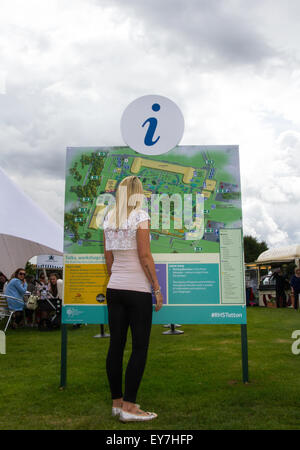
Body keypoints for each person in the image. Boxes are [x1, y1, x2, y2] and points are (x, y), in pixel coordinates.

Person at [103, 175, 163, 423]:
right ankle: (129, 407)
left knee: (116, 345)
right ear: (139, 193)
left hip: (114, 287)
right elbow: (145, 256)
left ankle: (117, 403)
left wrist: (116, 277)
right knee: (139, 347)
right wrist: (157, 288)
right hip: (136, 290)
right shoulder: (140, 216)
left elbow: (108, 259)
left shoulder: (109, 218)